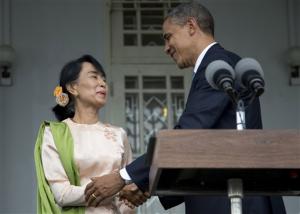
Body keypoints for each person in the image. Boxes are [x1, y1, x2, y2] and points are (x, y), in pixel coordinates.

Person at [84, 2, 286, 214]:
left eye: (168, 36)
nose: (166, 48)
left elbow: (187, 137)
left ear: (191, 26)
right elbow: (207, 148)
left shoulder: (217, 66)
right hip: (228, 195)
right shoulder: (220, 64)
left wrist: (122, 176)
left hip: (236, 202)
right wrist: (150, 186)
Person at [34, 55, 141, 214]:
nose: (102, 83)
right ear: (73, 87)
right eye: (94, 76)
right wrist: (113, 190)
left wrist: (131, 197)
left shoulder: (119, 134)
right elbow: (61, 194)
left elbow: (128, 193)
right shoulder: (54, 133)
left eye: (104, 79)